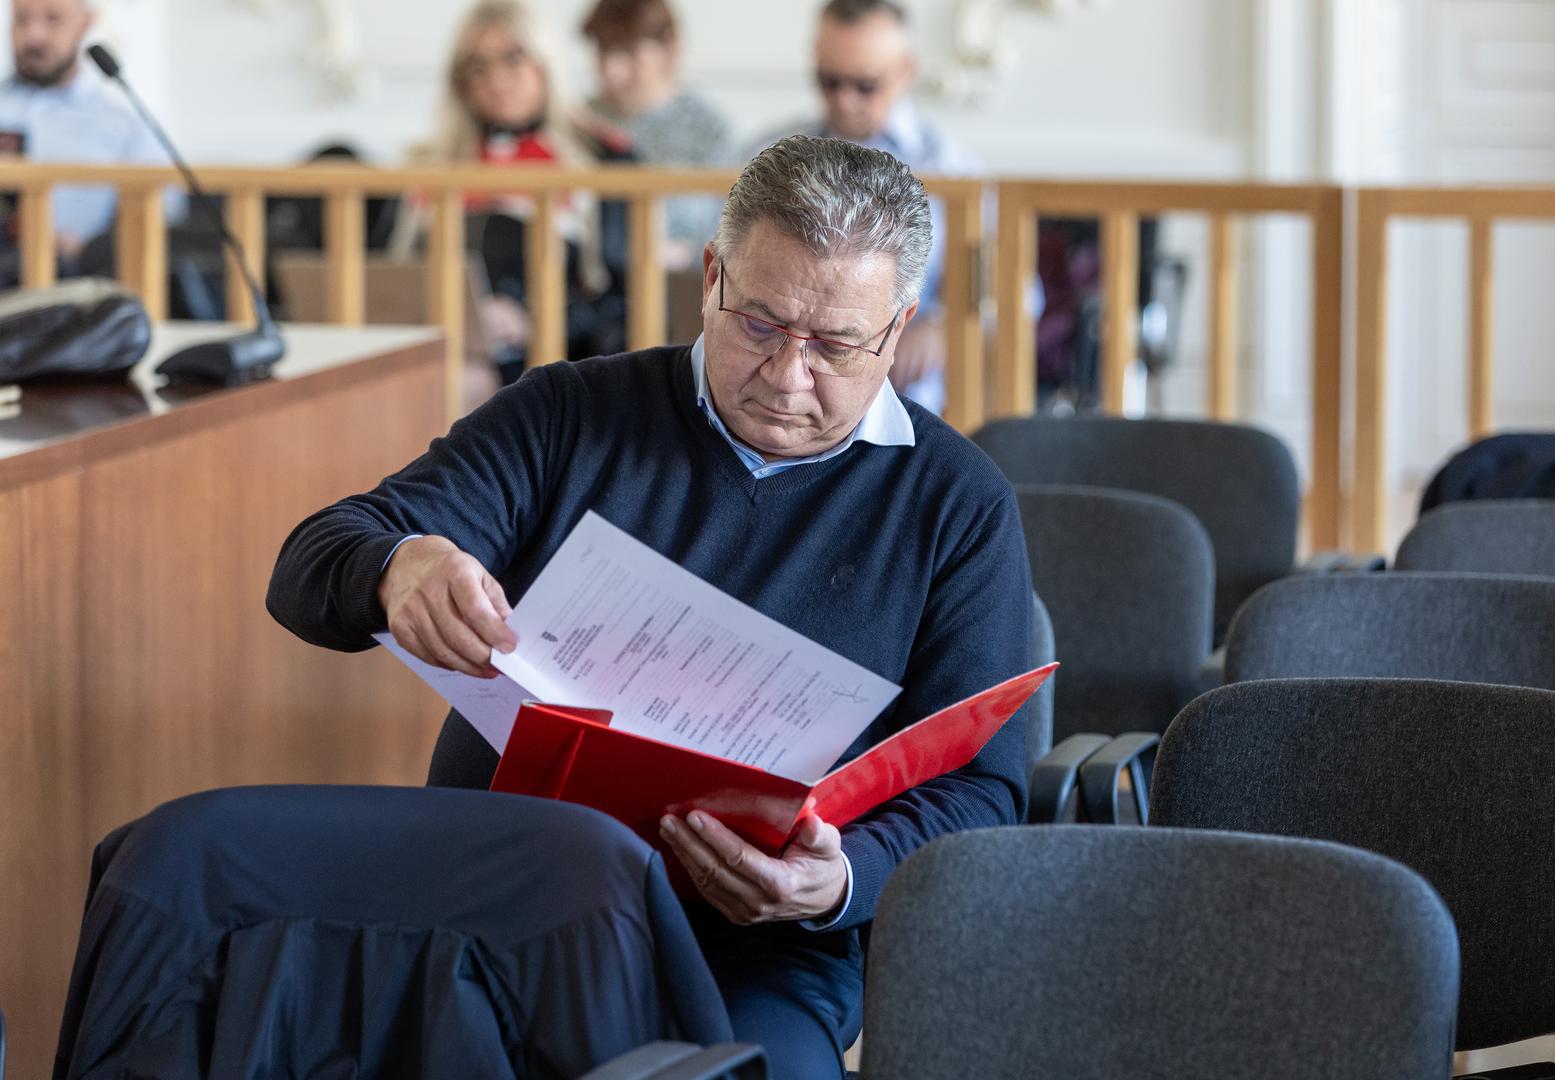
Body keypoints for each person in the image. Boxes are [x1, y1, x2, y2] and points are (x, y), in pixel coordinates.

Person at [268, 135, 1032, 1080]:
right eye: (757, 323)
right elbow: (308, 563)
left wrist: (839, 881)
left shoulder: (955, 504)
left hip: (760, 942)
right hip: (501, 899)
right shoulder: (568, 415)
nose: (788, 376)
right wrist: (396, 565)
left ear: (896, 325)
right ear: (710, 277)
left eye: (834, 345)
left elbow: (984, 792)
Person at [754, 0, 979, 414]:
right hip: (784, 373)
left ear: (905, 70)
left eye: (865, 85)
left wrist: (946, 324)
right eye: (829, 81)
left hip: (913, 395)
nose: (844, 99)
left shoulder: (954, 170)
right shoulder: (768, 155)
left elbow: (1012, 287)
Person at [393, 0, 622, 384]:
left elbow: (620, 297)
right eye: (478, 65)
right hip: (434, 345)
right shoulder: (430, 162)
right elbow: (394, 273)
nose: (496, 80)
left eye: (513, 58)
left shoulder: (597, 161)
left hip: (545, 362)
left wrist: (534, 320)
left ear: (545, 62)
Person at [0, 0, 181, 274]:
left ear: (85, 22)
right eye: (22, 19)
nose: (33, 35)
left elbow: (163, 212)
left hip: (82, 282)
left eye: (52, 19)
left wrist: (87, 249)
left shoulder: (126, 123)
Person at [579, 0, 733, 270]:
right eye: (604, 50)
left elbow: (725, 229)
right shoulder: (580, 123)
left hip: (681, 287)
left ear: (669, 46)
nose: (614, 71)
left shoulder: (708, 130)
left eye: (629, 51)